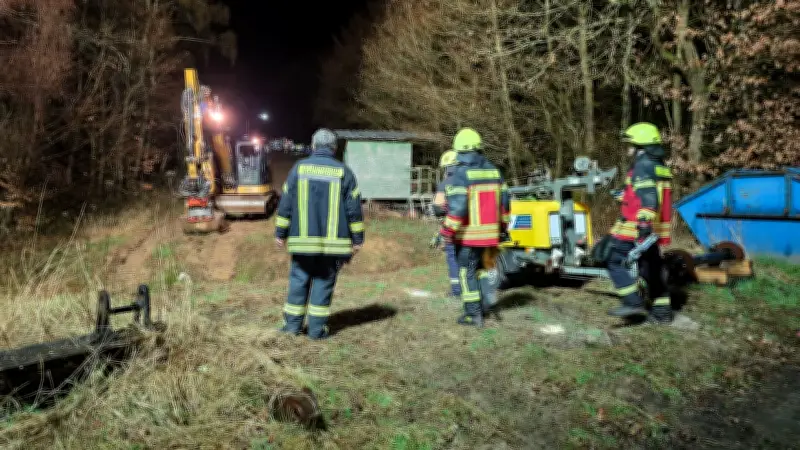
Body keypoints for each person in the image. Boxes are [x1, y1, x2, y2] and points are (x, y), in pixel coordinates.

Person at [274, 128, 365, 339]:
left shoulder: (299, 168)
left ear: (313, 146)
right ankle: (316, 331)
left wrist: (280, 233)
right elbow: (354, 210)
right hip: (333, 247)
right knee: (323, 284)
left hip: (302, 244)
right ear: (334, 148)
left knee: (298, 281)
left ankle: (292, 328)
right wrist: (358, 239)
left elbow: (285, 203)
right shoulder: (344, 172)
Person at [439, 128, 510, 327]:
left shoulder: (461, 174)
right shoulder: (496, 171)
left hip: (470, 236)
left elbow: (458, 208)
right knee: (482, 270)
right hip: (492, 236)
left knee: (466, 272)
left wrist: (446, 232)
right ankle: (486, 305)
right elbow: (505, 204)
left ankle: (473, 314)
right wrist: (503, 228)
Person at [607, 122, 674, 324]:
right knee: (650, 269)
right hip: (655, 230)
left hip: (636, 230)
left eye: (631, 145)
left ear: (641, 147)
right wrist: (625, 195)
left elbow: (649, 199)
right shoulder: (660, 167)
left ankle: (632, 301)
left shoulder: (642, 167)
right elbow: (653, 195)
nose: (628, 150)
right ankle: (662, 314)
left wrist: (643, 228)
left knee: (612, 259)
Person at [432, 150, 461, 298]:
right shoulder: (469, 180)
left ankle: (457, 290)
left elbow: (437, 209)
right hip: (472, 229)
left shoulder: (445, 184)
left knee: (452, 256)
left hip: (453, 228)